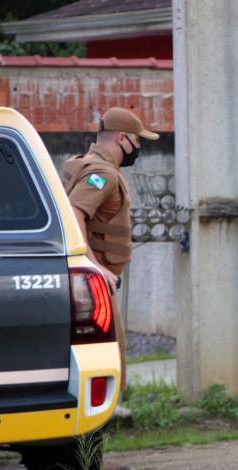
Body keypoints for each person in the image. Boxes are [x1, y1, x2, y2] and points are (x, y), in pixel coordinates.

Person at [62, 107, 159, 391]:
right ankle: (102, 423)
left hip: (91, 281)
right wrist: (96, 268)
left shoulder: (84, 163)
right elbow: (75, 213)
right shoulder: (102, 175)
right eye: (137, 141)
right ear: (121, 138)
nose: (139, 148)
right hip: (97, 284)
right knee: (109, 359)